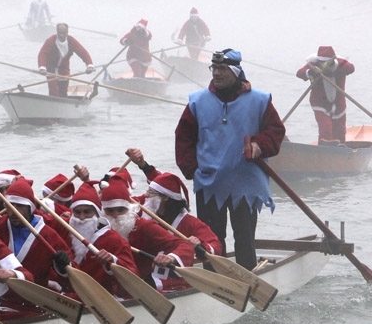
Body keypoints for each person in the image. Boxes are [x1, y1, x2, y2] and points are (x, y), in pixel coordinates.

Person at [175, 48, 286, 269]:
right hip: (209, 182)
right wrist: (192, 170)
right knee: (212, 242)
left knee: (245, 239)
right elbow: (184, 138)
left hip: (246, 182)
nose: (217, 73)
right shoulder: (197, 101)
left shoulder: (260, 100)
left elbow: (275, 132)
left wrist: (258, 145)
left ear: (236, 71)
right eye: (214, 68)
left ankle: (247, 279)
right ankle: (215, 282)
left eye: (223, 69)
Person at [99, 179, 195, 292]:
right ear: (102, 211)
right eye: (110, 211)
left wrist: (171, 257)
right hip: (108, 287)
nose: (116, 216)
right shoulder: (97, 229)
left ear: (129, 209)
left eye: (121, 210)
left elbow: (184, 245)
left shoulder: (144, 226)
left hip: (144, 286)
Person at [57, 182, 138, 298]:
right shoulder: (66, 227)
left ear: (97, 214)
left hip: (102, 297)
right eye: (77, 212)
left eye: (87, 212)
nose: (81, 218)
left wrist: (112, 260)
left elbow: (133, 275)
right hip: (70, 295)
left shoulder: (114, 239)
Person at [296, 46, 355, 145]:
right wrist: (310, 73)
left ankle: (341, 152)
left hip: (338, 103)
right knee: (325, 128)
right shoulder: (313, 65)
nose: (323, 64)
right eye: (321, 62)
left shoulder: (340, 64)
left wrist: (334, 66)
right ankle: (324, 150)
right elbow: (299, 73)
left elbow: (351, 68)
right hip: (319, 103)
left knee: (339, 130)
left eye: (326, 62)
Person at [38, 23, 95, 97]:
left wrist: (89, 65)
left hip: (64, 68)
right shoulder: (51, 40)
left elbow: (83, 52)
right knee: (53, 90)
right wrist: (42, 67)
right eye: (59, 33)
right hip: (50, 68)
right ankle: (53, 102)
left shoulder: (71, 41)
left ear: (67, 33)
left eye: (63, 33)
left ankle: (63, 103)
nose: (61, 35)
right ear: (56, 32)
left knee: (63, 90)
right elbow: (43, 54)